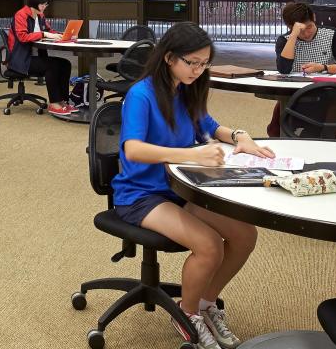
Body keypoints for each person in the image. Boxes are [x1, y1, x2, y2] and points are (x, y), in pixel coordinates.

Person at [112, 22, 274, 349]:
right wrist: (192, 154)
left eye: (204, 64)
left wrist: (242, 137)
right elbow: (133, 149)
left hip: (180, 188)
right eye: (192, 63)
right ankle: (187, 316)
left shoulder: (184, 90)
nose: (198, 71)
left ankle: (205, 304)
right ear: (169, 57)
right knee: (209, 245)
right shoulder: (141, 94)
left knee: (245, 235)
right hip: (140, 195)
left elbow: (211, 126)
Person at [267, 1, 336, 136]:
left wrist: (323, 67)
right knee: (278, 127)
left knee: (323, 126)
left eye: (309, 27)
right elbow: (283, 69)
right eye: (301, 30)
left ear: (314, 17)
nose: (307, 34)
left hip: (326, 94)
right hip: (294, 95)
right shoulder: (285, 40)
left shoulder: (331, 35)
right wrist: (294, 36)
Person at [6, 0, 74, 117]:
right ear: (34, 3)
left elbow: (50, 31)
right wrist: (44, 34)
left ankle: (62, 101)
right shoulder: (21, 15)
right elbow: (22, 37)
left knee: (65, 64)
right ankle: (54, 104)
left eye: (46, 4)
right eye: (42, 4)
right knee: (52, 66)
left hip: (35, 57)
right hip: (20, 60)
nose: (44, 7)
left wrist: (64, 35)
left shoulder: (40, 16)